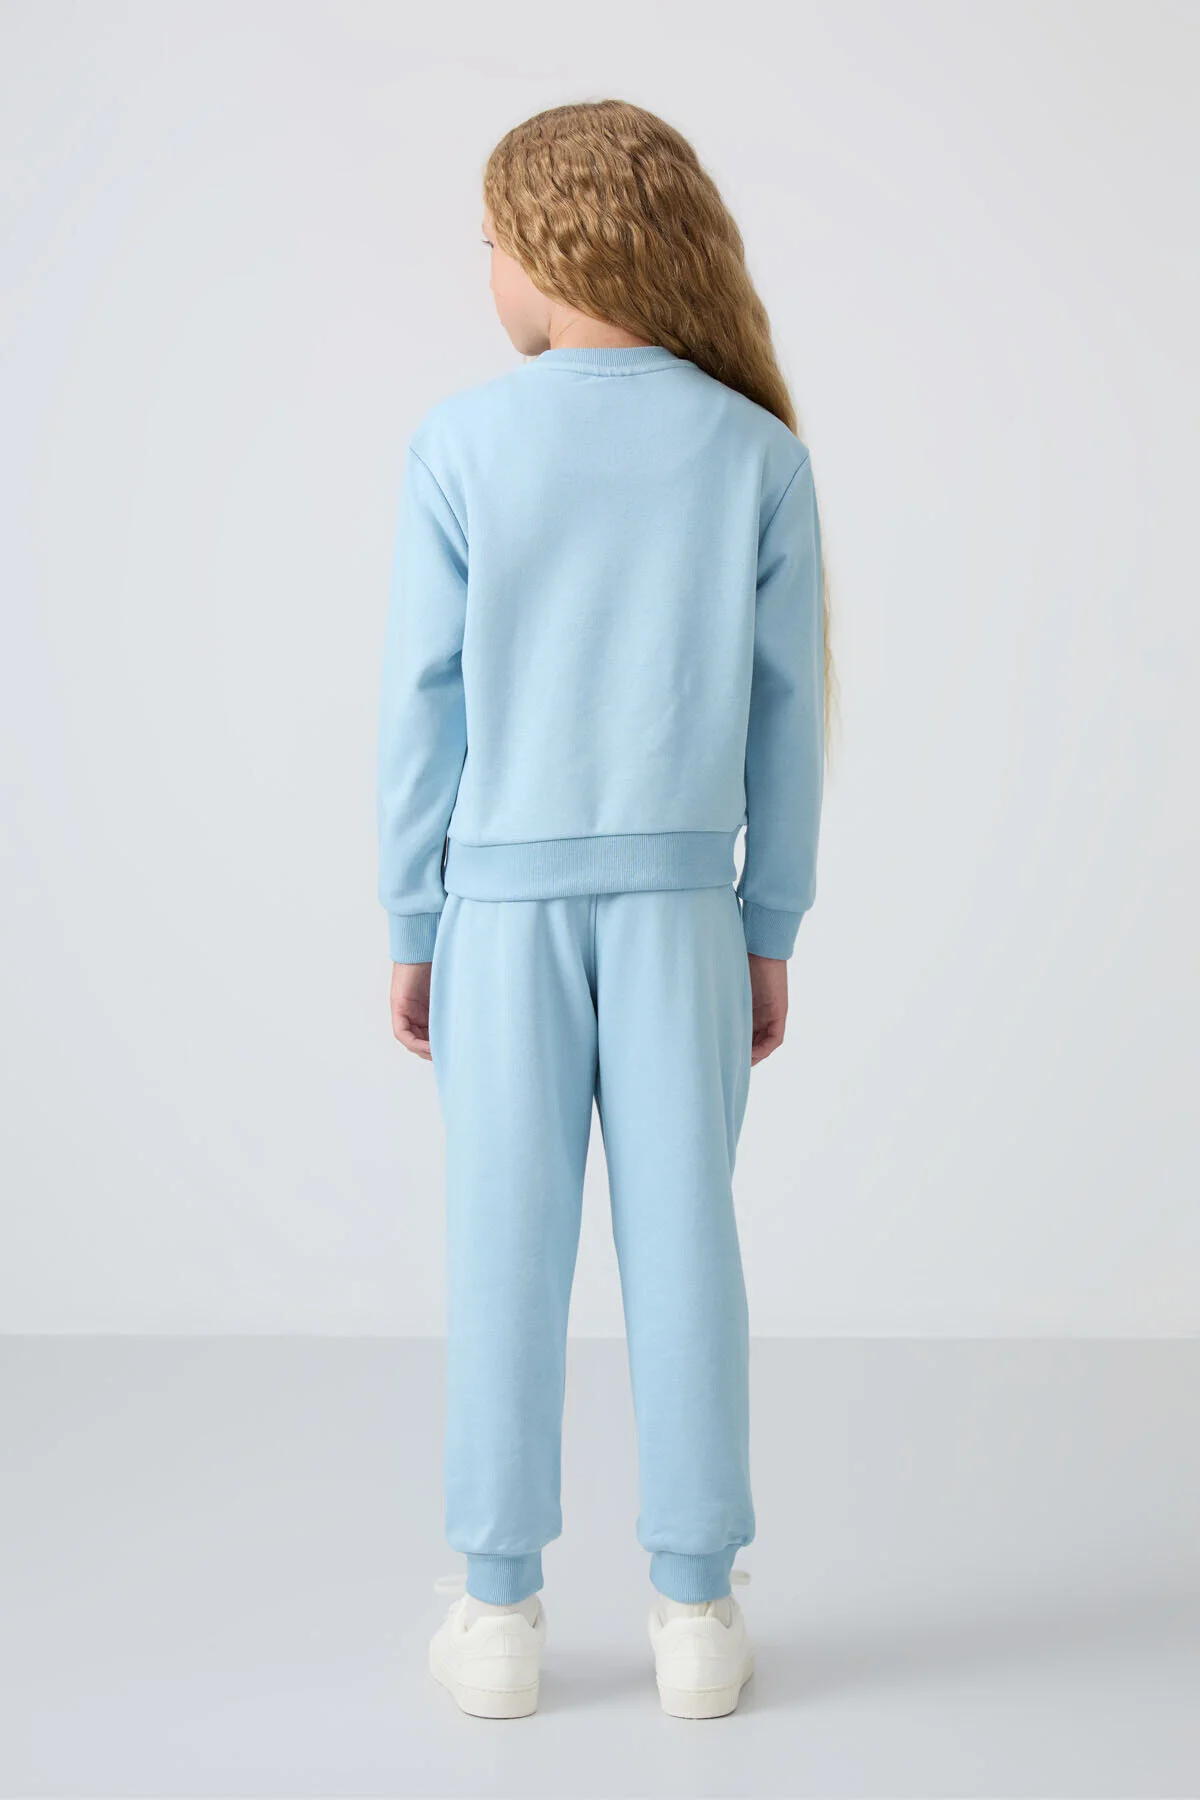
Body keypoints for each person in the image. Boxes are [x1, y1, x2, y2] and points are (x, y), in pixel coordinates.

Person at [377, 98, 830, 1720]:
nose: (486, 270)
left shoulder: (461, 445)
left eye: (491, 240)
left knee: (502, 1247)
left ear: (551, 248)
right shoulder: (756, 453)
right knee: (688, 1244)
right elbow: (790, 717)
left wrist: (413, 924)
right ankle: (696, 1614)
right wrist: (767, 922)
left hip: (501, 914)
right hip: (683, 916)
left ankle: (497, 1614)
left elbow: (422, 708)